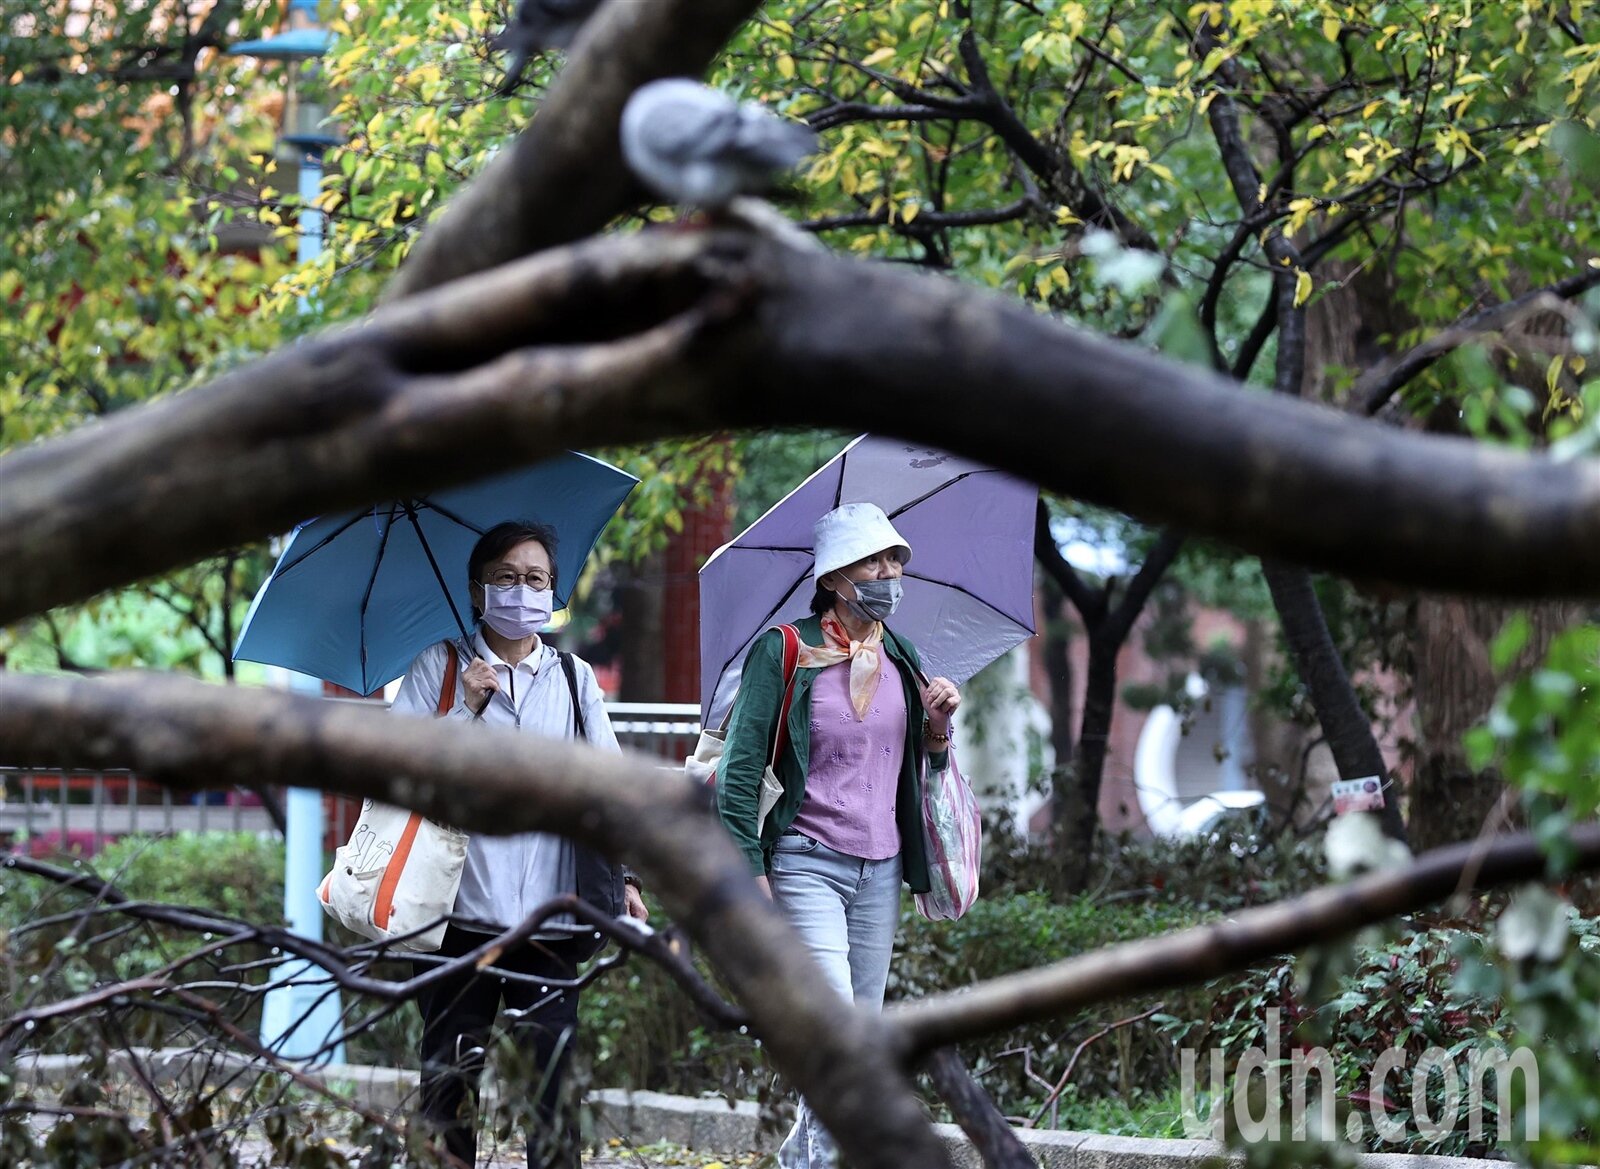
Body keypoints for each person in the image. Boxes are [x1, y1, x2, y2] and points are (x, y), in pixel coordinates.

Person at [389, 519, 649, 1169]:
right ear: (478, 590)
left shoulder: (572, 678)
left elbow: (609, 788)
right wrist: (464, 709)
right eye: (505, 577)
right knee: (449, 1085)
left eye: (535, 579)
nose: (520, 590)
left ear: (553, 592)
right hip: (457, 924)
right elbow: (397, 773)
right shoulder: (440, 667)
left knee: (553, 1091)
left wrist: (630, 883)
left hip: (553, 922)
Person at [714, 502, 961, 1169]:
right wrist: (751, 876)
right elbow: (738, 777)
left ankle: (804, 1162)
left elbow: (923, 768)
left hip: (879, 869)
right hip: (803, 862)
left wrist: (938, 724)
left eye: (895, 560)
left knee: (858, 1039)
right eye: (874, 561)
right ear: (835, 577)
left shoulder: (902, 655)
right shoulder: (785, 651)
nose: (890, 573)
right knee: (836, 1035)